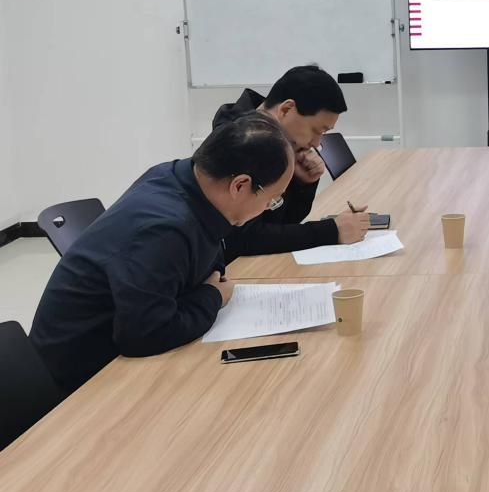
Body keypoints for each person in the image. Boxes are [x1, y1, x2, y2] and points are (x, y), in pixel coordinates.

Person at [29, 113, 294, 394]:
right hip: (78, 383)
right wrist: (213, 296)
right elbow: (147, 334)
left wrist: (209, 287)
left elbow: (209, 263)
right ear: (239, 185)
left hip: (118, 347)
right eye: (272, 200)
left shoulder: (184, 179)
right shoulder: (165, 228)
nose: (268, 207)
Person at [213, 64, 367, 259]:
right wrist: (331, 231)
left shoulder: (273, 139)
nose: (317, 143)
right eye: (316, 130)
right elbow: (246, 238)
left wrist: (303, 185)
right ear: (286, 109)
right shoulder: (239, 142)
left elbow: (284, 224)